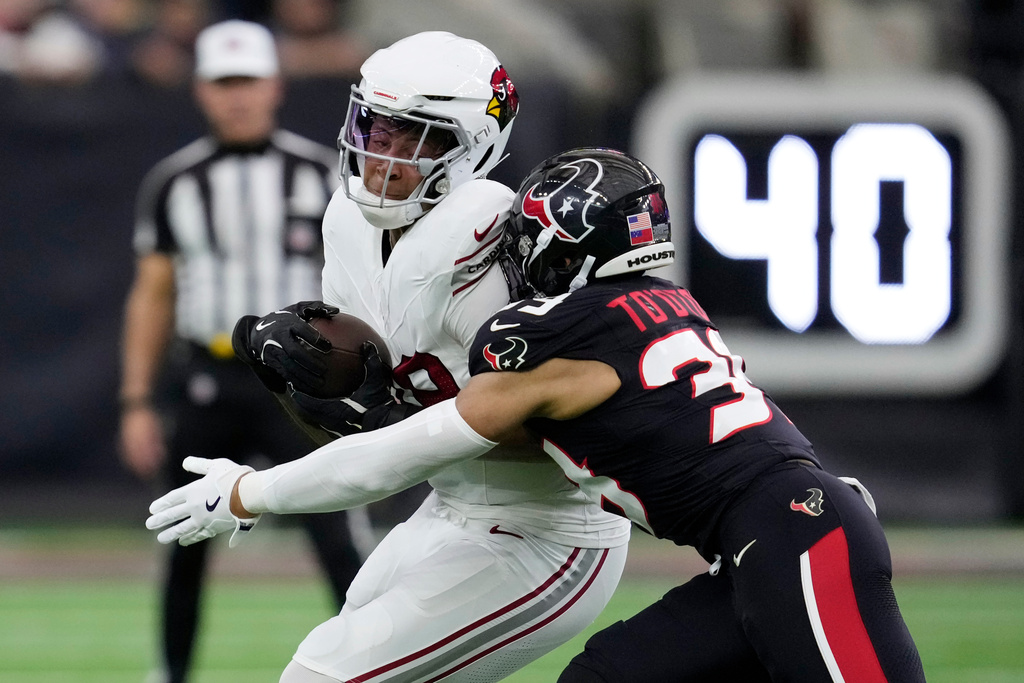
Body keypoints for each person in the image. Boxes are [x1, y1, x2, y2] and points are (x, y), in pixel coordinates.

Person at [148, 147, 927, 682]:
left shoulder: (551, 336)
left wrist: (251, 492)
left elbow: (411, 449)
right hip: (771, 538)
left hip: (797, 531)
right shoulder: (664, 304)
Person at [155, 31, 631, 683]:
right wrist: (304, 386)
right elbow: (366, 424)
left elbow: (540, 432)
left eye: (414, 137)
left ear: (474, 146)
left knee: (320, 674)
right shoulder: (348, 220)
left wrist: (259, 489)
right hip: (451, 506)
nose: (382, 153)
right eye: (375, 128)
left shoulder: (489, 240)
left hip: (546, 533)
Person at [118, 19, 370, 683]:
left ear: (275, 85)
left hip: (300, 382)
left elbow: (362, 281)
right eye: (224, 82)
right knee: (183, 537)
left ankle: (376, 664)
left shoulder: (322, 175)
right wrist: (137, 398)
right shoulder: (175, 182)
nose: (238, 95)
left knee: (338, 534)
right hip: (208, 376)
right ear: (202, 90)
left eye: (248, 80)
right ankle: (169, 671)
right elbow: (153, 294)